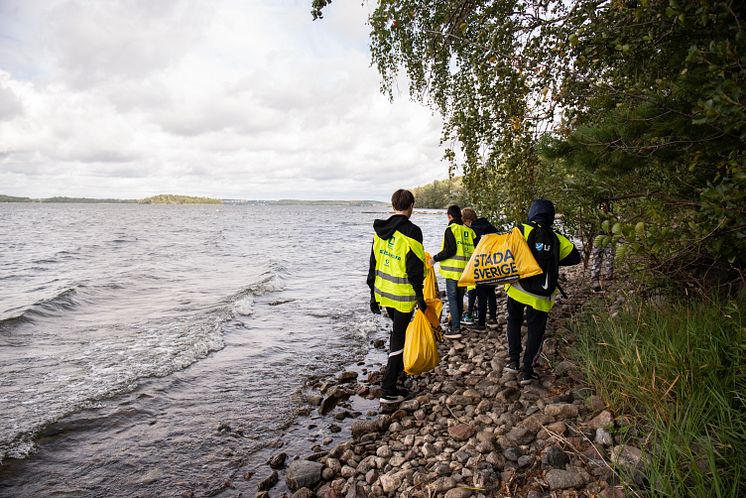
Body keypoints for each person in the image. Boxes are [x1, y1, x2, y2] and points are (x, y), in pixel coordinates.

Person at [504, 199, 581, 385]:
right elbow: (575, 258)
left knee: (513, 321)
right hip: (541, 295)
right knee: (535, 330)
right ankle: (527, 371)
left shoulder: (520, 230)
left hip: (517, 289)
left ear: (532, 212)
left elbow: (504, 253)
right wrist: (552, 259)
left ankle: (513, 361)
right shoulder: (557, 238)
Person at [367, 189, 427, 404]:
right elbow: (415, 269)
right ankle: (388, 389)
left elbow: (373, 264)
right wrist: (421, 297)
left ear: (393, 204)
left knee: (397, 332)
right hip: (402, 295)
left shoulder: (379, 231)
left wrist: (372, 295)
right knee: (399, 336)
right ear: (411, 205)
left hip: (384, 293)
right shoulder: (412, 231)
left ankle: (397, 371)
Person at [428, 205, 475, 339]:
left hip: (453, 272)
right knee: (459, 298)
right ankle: (457, 323)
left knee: (453, 300)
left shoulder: (451, 229)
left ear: (449, 216)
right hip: (465, 271)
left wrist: (434, 259)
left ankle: (455, 329)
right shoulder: (468, 231)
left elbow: (450, 250)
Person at [468, 212, 499, 330]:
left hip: (480, 265)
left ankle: (481, 323)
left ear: (468, 221)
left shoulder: (473, 232)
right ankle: (493, 318)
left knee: (481, 295)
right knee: (491, 293)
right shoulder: (492, 228)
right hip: (493, 264)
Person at [461, 208, 477, 326]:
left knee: (470, 290)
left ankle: (468, 314)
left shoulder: (468, 231)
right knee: (474, 291)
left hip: (467, 266)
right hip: (475, 266)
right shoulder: (474, 231)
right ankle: (472, 313)